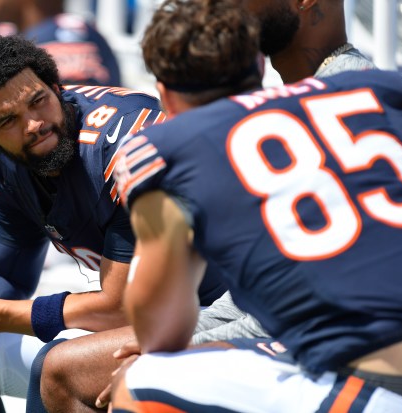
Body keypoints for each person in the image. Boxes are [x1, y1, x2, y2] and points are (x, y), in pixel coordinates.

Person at [30, 0, 378, 411]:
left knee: (108, 377)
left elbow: (316, 300)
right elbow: (262, 292)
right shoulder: (295, 101)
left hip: (353, 351)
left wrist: (168, 355)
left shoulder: (349, 97)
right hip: (298, 325)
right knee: (65, 366)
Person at [0, 33, 229, 413]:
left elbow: (120, 307)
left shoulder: (125, 146)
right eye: (8, 121)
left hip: (219, 308)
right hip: (157, 312)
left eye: (38, 101)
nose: (33, 124)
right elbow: (8, 271)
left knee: (60, 368)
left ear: (56, 87)